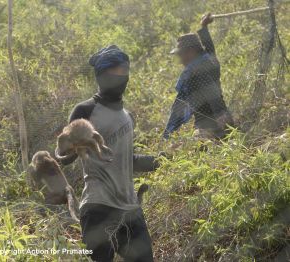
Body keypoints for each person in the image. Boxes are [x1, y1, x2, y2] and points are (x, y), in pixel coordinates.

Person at [60, 45, 156, 262]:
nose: (121, 78)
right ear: (101, 76)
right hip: (98, 206)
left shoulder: (127, 116)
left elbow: (128, 161)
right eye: (115, 73)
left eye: (124, 73)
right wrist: (73, 147)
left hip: (130, 209)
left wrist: (161, 160)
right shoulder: (84, 111)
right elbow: (64, 157)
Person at [163, 13, 234, 140]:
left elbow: (210, 93)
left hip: (209, 127)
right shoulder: (210, 61)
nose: (181, 60)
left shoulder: (194, 73)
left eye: (181, 55)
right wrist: (204, 27)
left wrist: (168, 133)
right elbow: (209, 48)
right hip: (224, 119)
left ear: (191, 51)